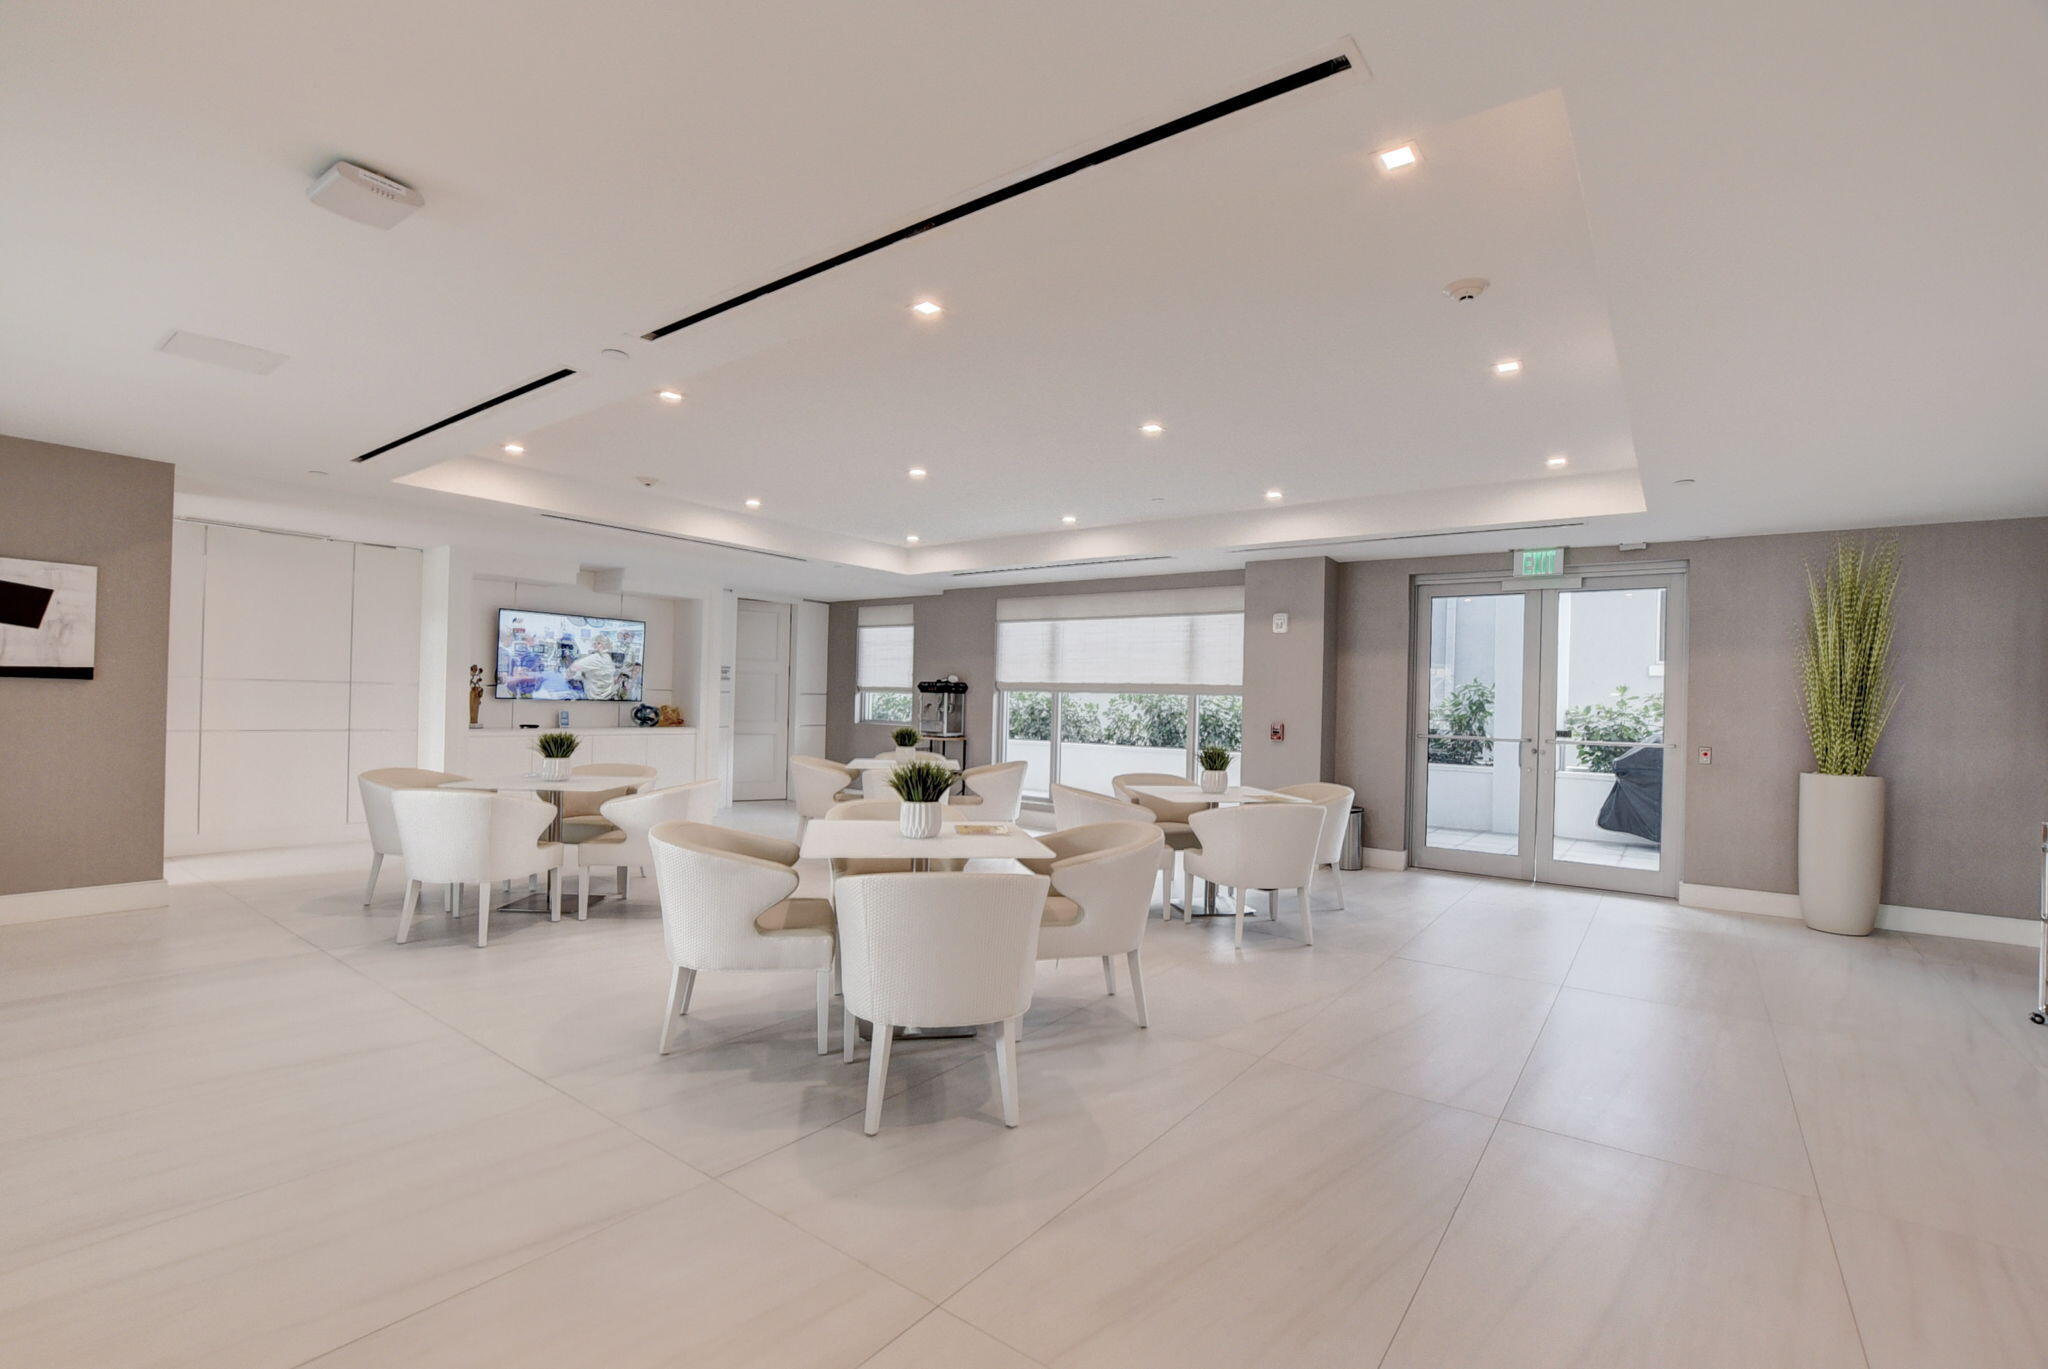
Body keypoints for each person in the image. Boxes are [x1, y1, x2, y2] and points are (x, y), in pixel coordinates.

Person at [569, 634, 620, 700]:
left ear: (599, 644)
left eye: (593, 644)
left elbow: (574, 667)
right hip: (607, 695)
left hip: (597, 698)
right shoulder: (608, 657)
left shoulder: (596, 658)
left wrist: (569, 675)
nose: (592, 646)